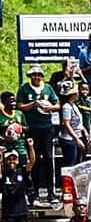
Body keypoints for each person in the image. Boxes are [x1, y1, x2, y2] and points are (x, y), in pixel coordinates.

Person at [16, 66, 59, 206]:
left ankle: (51, 193)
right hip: (32, 129)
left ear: (42, 76)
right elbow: (20, 106)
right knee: (34, 161)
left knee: (48, 159)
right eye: (34, 75)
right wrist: (33, 104)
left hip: (46, 129)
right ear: (30, 76)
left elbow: (57, 104)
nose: (36, 78)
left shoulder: (48, 88)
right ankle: (33, 194)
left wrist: (49, 108)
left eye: (39, 75)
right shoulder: (24, 89)